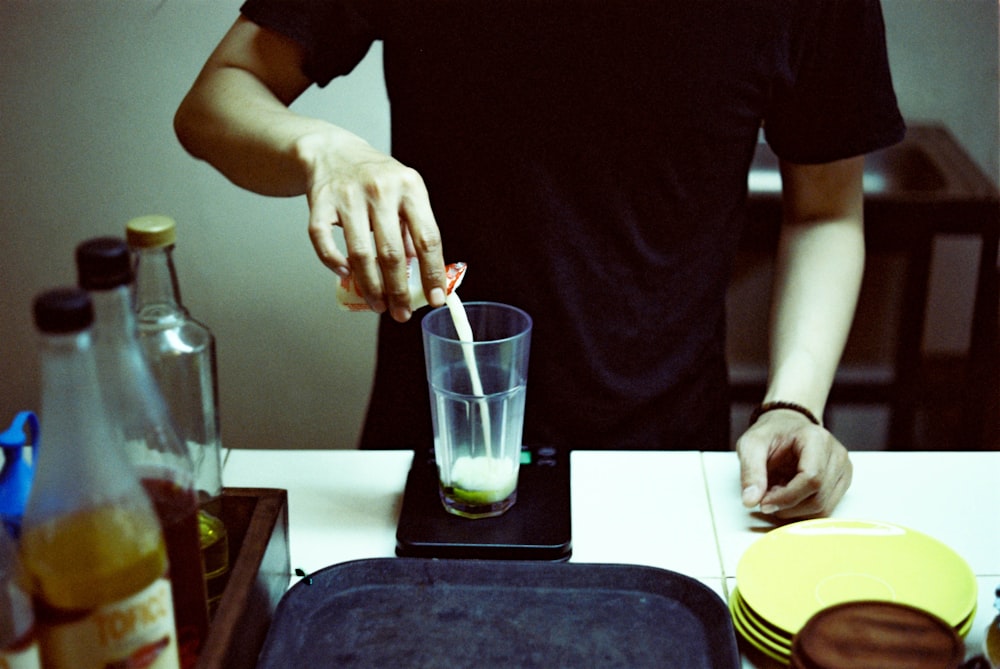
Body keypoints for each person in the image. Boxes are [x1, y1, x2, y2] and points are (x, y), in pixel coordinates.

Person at [174, 0, 905, 519]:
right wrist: (322, 150)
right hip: (434, 452)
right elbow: (214, 100)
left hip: (665, 462)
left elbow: (826, 211)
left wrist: (793, 402)